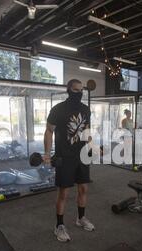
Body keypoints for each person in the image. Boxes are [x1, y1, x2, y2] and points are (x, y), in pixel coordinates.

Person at [44, 79, 94, 242]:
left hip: (81, 156)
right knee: (64, 193)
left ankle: (81, 218)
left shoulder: (85, 110)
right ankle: (59, 225)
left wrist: (92, 146)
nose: (78, 93)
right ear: (68, 90)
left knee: (83, 189)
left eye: (81, 91)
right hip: (64, 157)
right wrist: (47, 153)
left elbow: (86, 130)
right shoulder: (58, 109)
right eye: (75, 90)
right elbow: (49, 131)